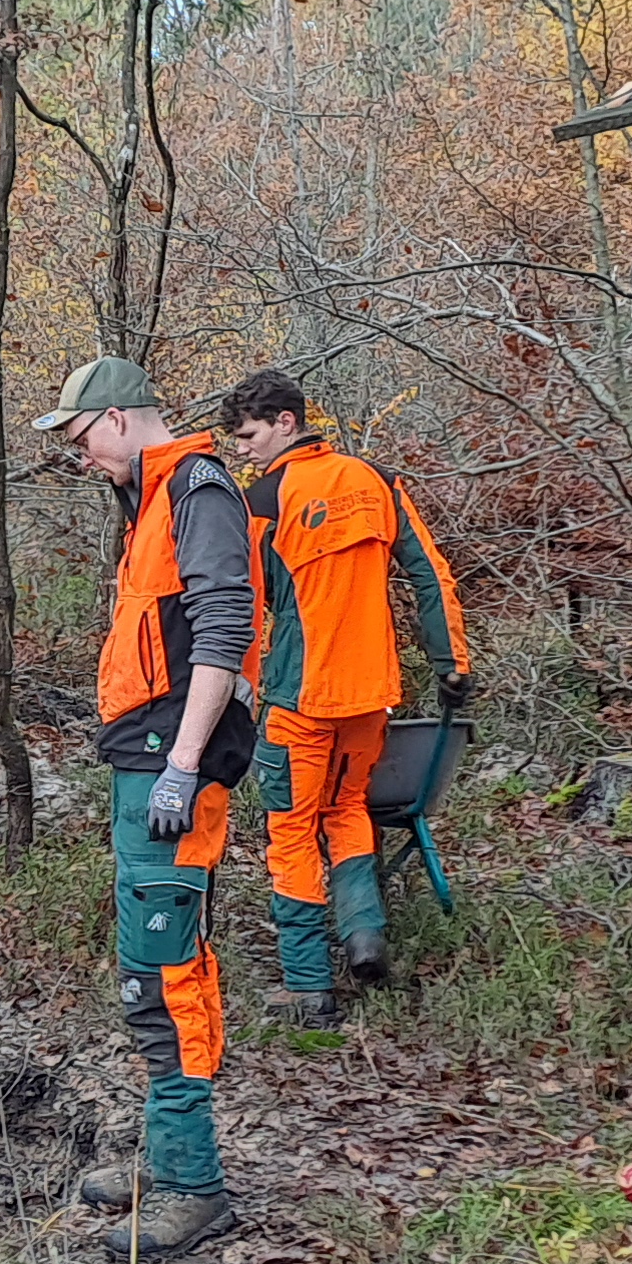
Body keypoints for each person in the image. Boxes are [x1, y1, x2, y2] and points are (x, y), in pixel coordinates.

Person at [35, 356, 261, 1263]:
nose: (83, 456)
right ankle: (167, 1150)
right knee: (145, 960)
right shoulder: (154, 498)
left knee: (167, 967)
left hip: (173, 766)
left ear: (121, 420)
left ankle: (192, 1184)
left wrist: (181, 764)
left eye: (84, 438)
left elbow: (225, 631)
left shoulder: (198, 490)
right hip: (145, 757)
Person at [222, 368, 472, 1017]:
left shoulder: (264, 501)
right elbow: (430, 574)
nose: (242, 448)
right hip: (371, 696)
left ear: (286, 421)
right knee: (348, 809)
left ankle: (308, 985)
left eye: (249, 434)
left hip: (300, 698)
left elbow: (246, 604)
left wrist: (235, 686)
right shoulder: (377, 481)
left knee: (293, 830)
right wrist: (452, 664)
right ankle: (363, 934)